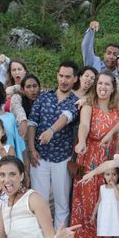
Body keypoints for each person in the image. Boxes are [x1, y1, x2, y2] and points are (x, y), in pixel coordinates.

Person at [69, 71, 119, 238]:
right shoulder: (88, 105)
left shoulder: (118, 109)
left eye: (107, 84)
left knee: (110, 200)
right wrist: (82, 141)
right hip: (91, 155)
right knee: (89, 199)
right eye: (100, 83)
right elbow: (84, 125)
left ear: (113, 88)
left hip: (110, 158)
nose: (102, 87)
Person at [27, 61, 79, 228]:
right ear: (57, 75)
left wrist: (51, 130)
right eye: (61, 76)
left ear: (75, 79)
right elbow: (32, 123)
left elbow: (67, 116)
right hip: (39, 156)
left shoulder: (76, 101)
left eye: (68, 77)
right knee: (39, 200)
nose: (63, 80)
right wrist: (31, 148)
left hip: (62, 157)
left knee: (62, 201)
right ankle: (41, 237)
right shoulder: (44, 97)